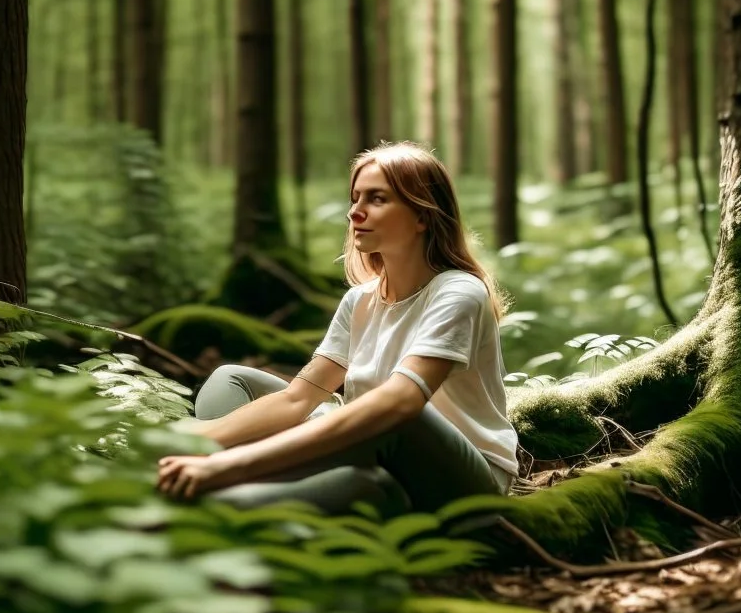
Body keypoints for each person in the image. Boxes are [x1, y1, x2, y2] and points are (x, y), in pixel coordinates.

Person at [157, 141, 520, 516]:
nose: (355, 213)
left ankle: (229, 482)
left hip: (456, 477)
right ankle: (198, 469)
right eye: (355, 198)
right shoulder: (360, 299)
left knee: (396, 417)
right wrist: (188, 441)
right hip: (371, 449)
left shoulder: (459, 292)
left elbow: (399, 405)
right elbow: (297, 399)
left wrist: (226, 464)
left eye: (376, 199)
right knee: (233, 379)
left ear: (422, 216)